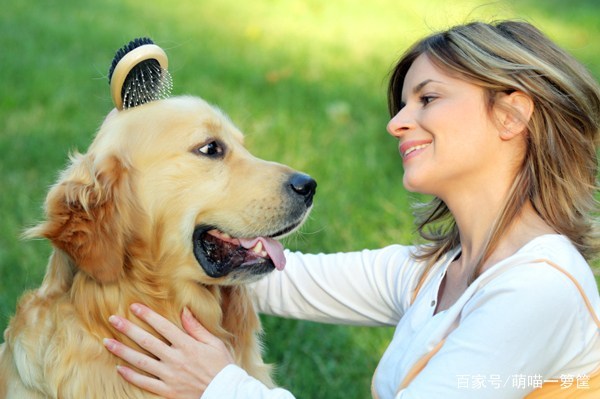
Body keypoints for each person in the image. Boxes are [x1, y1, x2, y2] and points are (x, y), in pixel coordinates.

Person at [103, 20, 600, 398]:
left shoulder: (539, 289)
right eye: (403, 105)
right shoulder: (434, 272)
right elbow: (284, 278)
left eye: (427, 98)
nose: (397, 123)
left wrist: (219, 386)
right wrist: (132, 193)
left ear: (511, 115)